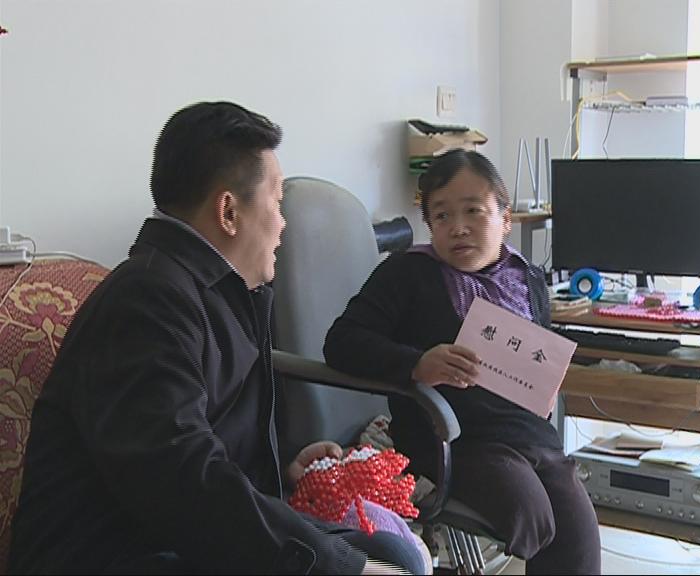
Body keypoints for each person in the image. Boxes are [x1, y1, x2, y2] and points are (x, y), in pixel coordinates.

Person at [8, 102, 425, 575]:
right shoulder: (146, 303)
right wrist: (340, 568)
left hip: (177, 535)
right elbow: (179, 478)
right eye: (276, 202)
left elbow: (205, 440)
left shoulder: (212, 291)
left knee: (396, 553)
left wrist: (280, 467)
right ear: (228, 212)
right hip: (118, 552)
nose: (283, 223)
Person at [324, 149, 601, 575]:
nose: (458, 227)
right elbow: (342, 343)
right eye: (442, 216)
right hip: (449, 438)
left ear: (505, 219)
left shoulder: (527, 278)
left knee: (579, 535)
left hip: (527, 434)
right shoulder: (406, 273)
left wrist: (544, 390)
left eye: (474, 211)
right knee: (529, 513)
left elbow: (538, 356)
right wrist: (418, 363)